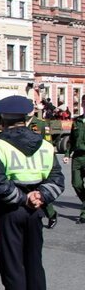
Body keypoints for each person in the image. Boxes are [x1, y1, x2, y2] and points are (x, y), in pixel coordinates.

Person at [0, 95, 64, 290]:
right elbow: (57, 180)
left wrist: (23, 198)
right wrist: (40, 196)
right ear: (28, 117)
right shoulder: (45, 145)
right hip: (36, 209)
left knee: (12, 264)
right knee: (34, 261)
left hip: (11, 209)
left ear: (3, 119)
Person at [26, 113, 57, 228]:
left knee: (38, 189)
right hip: (24, 161)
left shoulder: (41, 124)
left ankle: (51, 214)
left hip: (39, 161)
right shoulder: (20, 123)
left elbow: (48, 142)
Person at [63, 95, 85, 225]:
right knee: (76, 184)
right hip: (77, 157)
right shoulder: (76, 121)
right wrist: (66, 154)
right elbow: (71, 140)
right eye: (84, 103)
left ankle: (84, 213)